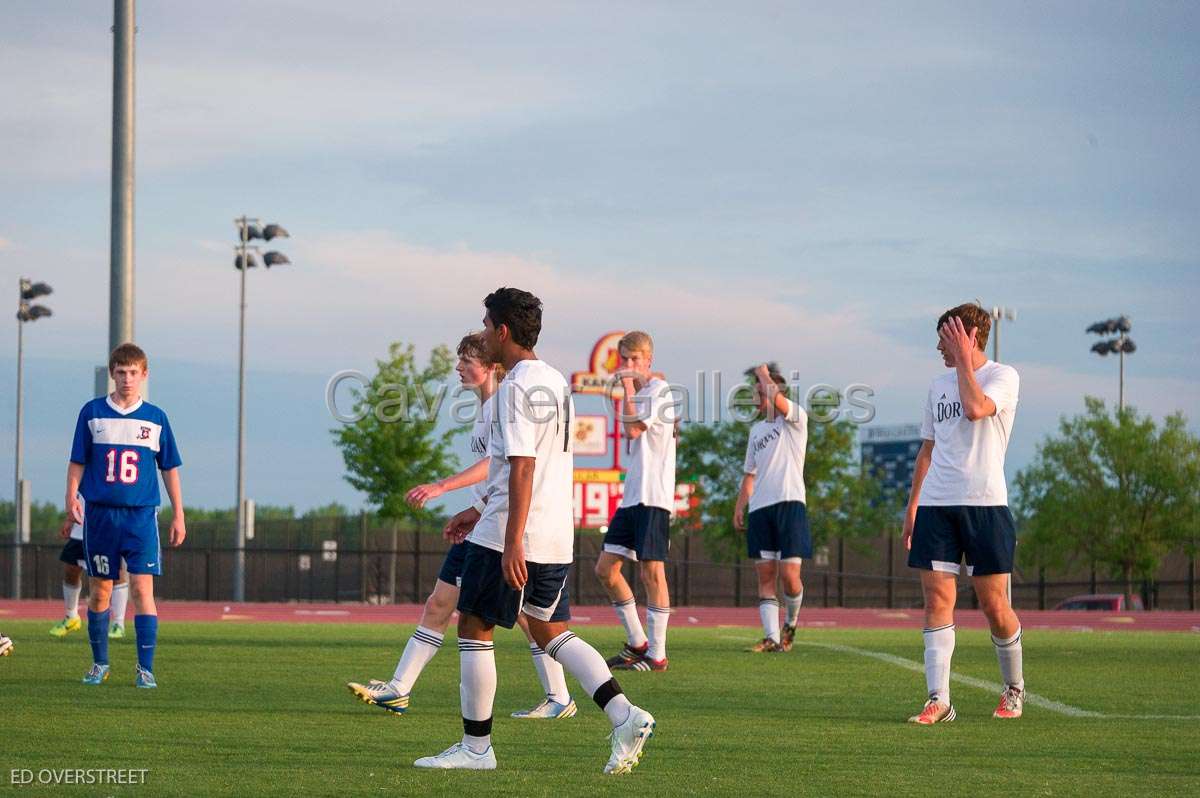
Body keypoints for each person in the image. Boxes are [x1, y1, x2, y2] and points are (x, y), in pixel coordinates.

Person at [415, 287, 655, 773]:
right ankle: (624, 714)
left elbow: (523, 467)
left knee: (474, 626)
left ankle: (476, 749)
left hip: (515, 533)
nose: (483, 333)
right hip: (553, 534)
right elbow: (523, 466)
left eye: (486, 325)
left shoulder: (516, 387)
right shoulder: (554, 381)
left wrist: (507, 542)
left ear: (502, 331)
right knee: (549, 630)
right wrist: (477, 508)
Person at [346, 332, 576, 720]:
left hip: (501, 527)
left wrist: (443, 487)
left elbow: (501, 465)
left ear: (491, 367)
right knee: (441, 602)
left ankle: (561, 699)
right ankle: (400, 688)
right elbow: (499, 472)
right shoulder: (486, 409)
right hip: (485, 521)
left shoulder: (505, 401)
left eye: (467, 359)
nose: (458, 367)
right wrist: (475, 508)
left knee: (523, 617)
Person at [903, 303, 1024, 724]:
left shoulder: (1003, 376)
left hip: (985, 506)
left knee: (994, 606)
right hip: (937, 505)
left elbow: (975, 408)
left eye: (946, 336)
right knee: (937, 599)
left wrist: (963, 364)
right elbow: (927, 449)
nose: (939, 345)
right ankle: (939, 700)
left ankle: (1013, 689)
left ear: (969, 335)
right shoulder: (936, 386)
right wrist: (913, 505)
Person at [67, 343, 186, 688]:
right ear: (112, 374)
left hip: (140, 517)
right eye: (121, 372)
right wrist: (70, 496)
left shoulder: (156, 418)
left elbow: (170, 468)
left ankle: (145, 668)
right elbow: (78, 461)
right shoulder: (92, 413)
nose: (127, 379)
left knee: (140, 588)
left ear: (144, 375)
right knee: (100, 590)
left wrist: (179, 513)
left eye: (134, 372)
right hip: (101, 516)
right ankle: (99, 663)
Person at [595, 331, 678, 672]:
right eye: (624, 360)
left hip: (654, 495)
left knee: (651, 572)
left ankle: (656, 655)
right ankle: (637, 641)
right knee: (605, 568)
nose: (628, 366)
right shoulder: (644, 392)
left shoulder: (660, 391)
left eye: (634, 360)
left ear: (648, 362)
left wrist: (627, 388)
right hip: (633, 496)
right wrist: (631, 391)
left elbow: (633, 430)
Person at [733, 364, 810, 653]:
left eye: (761, 391)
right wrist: (740, 506)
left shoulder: (795, 418)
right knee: (765, 575)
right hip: (761, 509)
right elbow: (749, 474)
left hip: (790, 504)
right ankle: (772, 637)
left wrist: (764, 373)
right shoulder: (756, 431)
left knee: (790, 578)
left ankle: (790, 623)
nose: (756, 397)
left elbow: (776, 397)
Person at [49, 494, 130, 640]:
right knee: (71, 569)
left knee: (116, 572)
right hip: (82, 525)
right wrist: (69, 519)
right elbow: (77, 491)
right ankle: (71, 617)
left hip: (110, 522)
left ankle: (118, 623)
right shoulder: (82, 470)